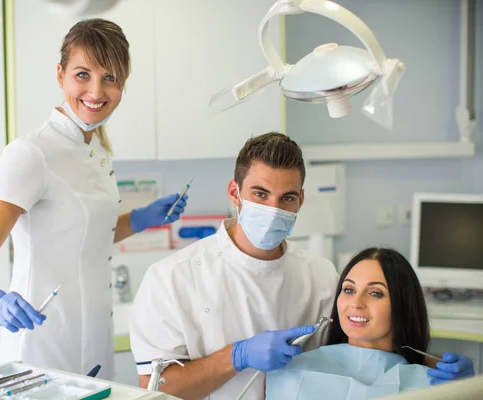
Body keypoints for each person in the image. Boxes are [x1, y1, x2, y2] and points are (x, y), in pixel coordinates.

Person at [129, 132, 474, 399]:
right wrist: (238, 356)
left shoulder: (320, 276)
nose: (273, 208)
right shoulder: (172, 278)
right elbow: (157, 389)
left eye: (287, 198)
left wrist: (441, 373)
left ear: (301, 200)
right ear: (234, 192)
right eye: (260, 194)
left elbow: (365, 354)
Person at [0, 18, 188, 380]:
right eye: (83, 74)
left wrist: (140, 220)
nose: (96, 91)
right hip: (39, 345)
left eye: (110, 78)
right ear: (60, 74)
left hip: (94, 339)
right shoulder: (31, 154)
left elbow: (80, 238)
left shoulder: (96, 148)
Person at [265, 248, 471, 398]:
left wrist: (470, 391)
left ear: (403, 305)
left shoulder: (432, 386)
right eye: (348, 290)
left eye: (375, 293)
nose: (356, 303)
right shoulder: (291, 371)